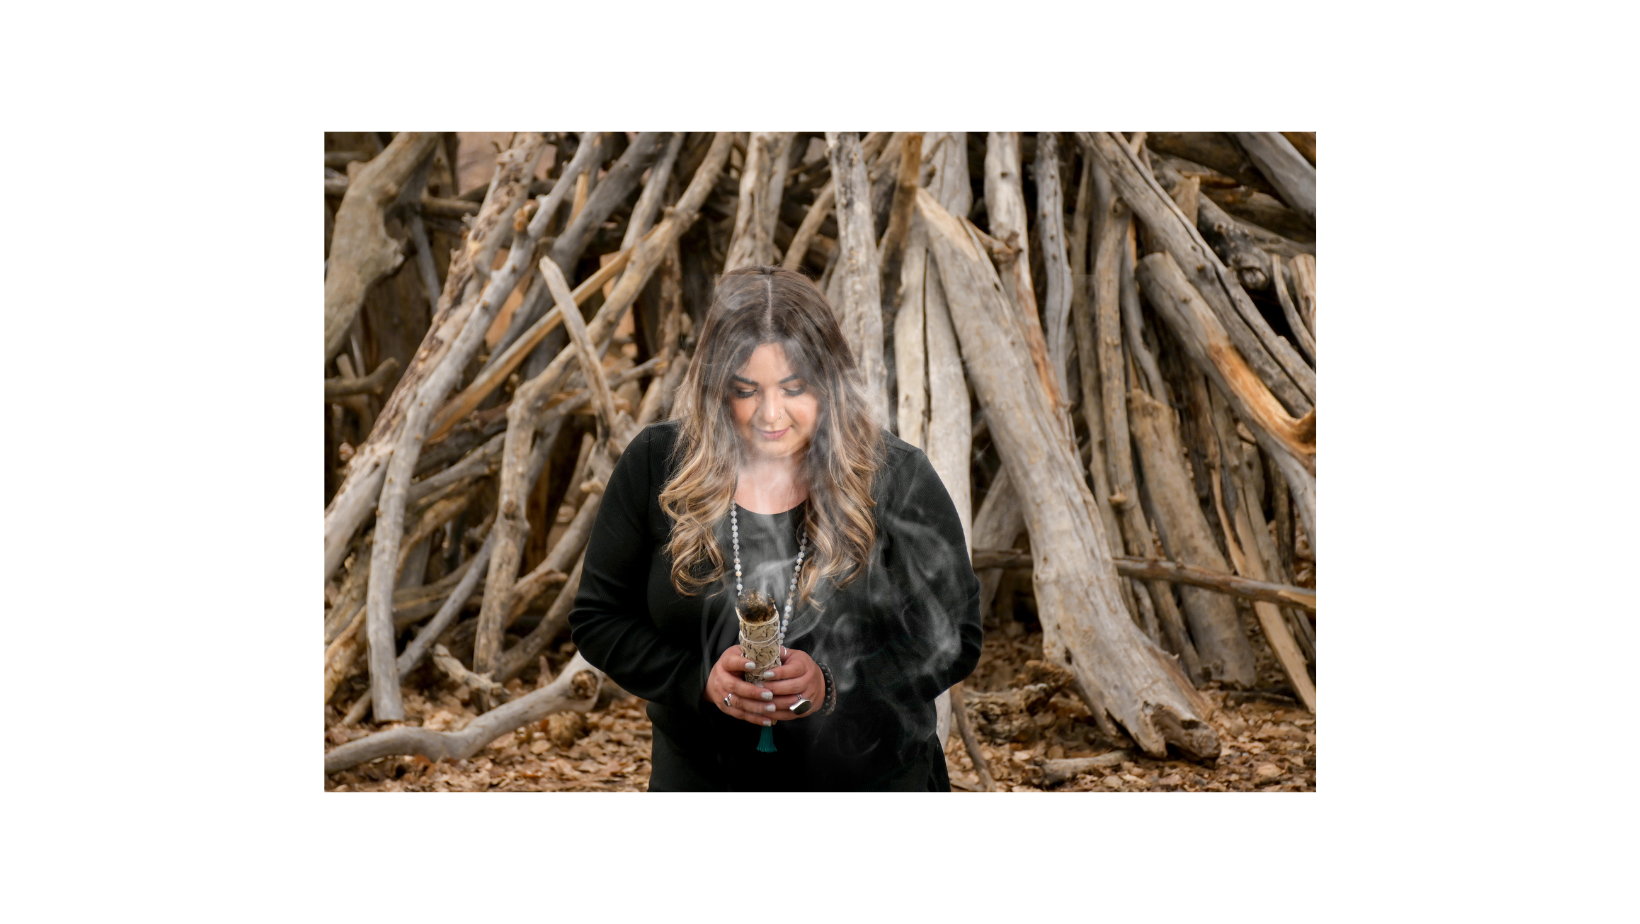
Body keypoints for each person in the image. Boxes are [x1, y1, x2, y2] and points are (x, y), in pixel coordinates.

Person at [569, 266, 983, 791]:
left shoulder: (896, 476)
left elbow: (957, 633)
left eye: (794, 388)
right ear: (715, 388)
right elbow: (599, 617)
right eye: (746, 390)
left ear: (831, 382)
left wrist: (832, 687)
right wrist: (698, 679)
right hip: (703, 780)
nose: (770, 415)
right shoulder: (658, 464)